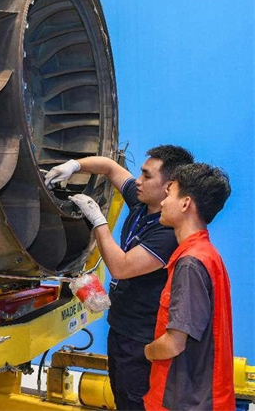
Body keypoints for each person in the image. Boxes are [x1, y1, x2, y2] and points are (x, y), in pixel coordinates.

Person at [45, 145, 194, 410]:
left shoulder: (167, 232)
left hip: (141, 338)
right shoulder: (141, 202)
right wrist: (73, 165)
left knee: (134, 401)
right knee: (121, 395)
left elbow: (121, 267)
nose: (138, 181)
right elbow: (109, 167)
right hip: (121, 327)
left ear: (169, 186)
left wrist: (97, 220)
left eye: (147, 176)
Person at [143, 163, 234, 410]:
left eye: (170, 193)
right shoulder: (207, 254)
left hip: (184, 402)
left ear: (185, 204)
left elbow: (173, 344)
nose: (162, 202)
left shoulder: (191, 263)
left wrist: (147, 352)